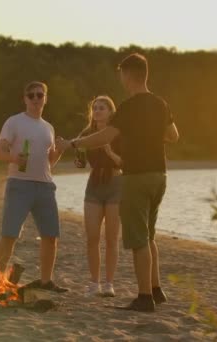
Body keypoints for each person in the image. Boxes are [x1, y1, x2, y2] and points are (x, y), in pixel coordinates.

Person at [57, 53, 180, 311]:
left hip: (136, 177)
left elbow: (104, 137)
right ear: (145, 74)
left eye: (121, 75)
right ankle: (157, 290)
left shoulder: (129, 107)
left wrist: (73, 144)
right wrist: (150, 135)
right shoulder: (161, 104)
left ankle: (144, 297)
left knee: (138, 240)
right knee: (149, 235)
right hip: (160, 175)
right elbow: (173, 136)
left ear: (127, 75)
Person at [0, 81, 68, 292]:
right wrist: (14, 158)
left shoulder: (49, 127)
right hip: (19, 184)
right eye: (31, 95)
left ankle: (46, 281)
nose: (36, 99)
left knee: (51, 235)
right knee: (10, 234)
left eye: (40, 95)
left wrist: (60, 151)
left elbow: (49, 162)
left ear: (45, 98)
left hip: (45, 185)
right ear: (25, 99)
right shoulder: (14, 122)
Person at [76, 96, 122, 297]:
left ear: (111, 112)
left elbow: (124, 163)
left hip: (115, 185)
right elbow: (80, 160)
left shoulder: (118, 134)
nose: (97, 111)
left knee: (112, 239)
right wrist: (79, 159)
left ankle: (109, 283)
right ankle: (94, 283)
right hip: (93, 186)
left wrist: (110, 152)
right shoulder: (87, 133)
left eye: (102, 108)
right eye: (95, 108)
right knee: (92, 238)